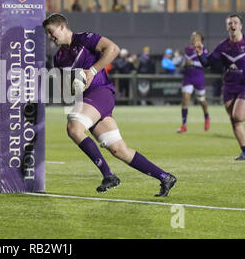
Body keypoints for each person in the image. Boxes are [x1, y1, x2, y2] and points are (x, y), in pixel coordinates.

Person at [42, 13, 177, 197]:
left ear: (63, 27)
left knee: (74, 127)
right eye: (48, 34)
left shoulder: (84, 38)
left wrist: (91, 71)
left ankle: (109, 175)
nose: (50, 37)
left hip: (101, 93)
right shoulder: (58, 58)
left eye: (51, 32)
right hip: (88, 101)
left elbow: (113, 48)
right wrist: (72, 87)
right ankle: (165, 177)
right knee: (118, 149)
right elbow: (67, 90)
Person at [195, 14, 245, 161]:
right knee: (234, 120)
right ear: (227, 27)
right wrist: (201, 54)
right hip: (229, 86)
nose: (232, 25)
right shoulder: (223, 46)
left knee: (238, 115)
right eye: (230, 23)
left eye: (235, 22)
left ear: (240, 26)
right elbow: (207, 63)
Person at [177, 32, 210, 133]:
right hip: (188, 77)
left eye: (195, 37)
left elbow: (206, 64)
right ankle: (184, 125)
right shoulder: (187, 49)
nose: (193, 38)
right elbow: (184, 61)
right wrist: (183, 64)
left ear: (200, 39)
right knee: (185, 100)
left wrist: (193, 63)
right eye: (192, 37)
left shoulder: (204, 49)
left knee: (202, 101)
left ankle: (207, 117)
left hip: (199, 77)